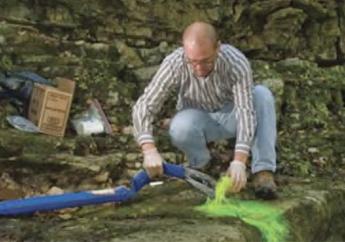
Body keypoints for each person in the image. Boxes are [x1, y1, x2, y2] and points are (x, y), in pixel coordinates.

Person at [132, 21, 277, 199]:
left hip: (232, 117)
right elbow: (144, 105)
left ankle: (263, 171)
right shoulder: (174, 63)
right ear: (184, 50)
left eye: (206, 61)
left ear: (218, 48)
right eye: (193, 62)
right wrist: (148, 149)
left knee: (262, 95)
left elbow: (245, 111)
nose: (199, 69)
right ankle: (202, 166)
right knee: (179, 126)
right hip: (197, 122)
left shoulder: (236, 62)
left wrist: (239, 160)